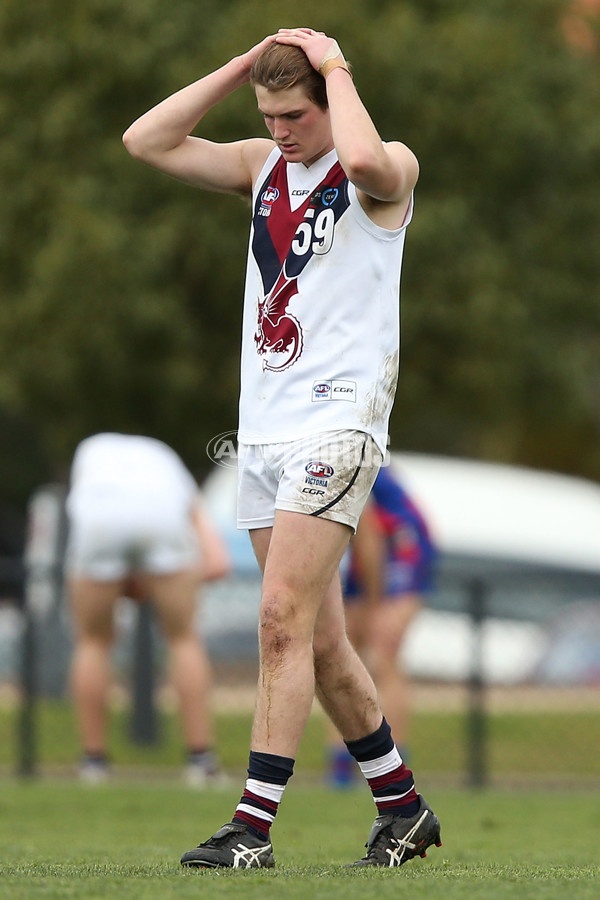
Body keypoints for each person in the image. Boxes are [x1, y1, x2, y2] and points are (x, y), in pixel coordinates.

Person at [123, 27, 441, 869]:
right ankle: (403, 808)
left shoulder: (385, 168)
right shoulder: (262, 166)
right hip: (262, 430)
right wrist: (239, 71)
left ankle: (251, 830)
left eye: (292, 114)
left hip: (339, 422)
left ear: (330, 97)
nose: (279, 131)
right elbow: (145, 141)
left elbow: (371, 163)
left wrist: (336, 69)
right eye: (267, 115)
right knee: (318, 641)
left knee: (276, 621)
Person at [65, 432, 230, 785]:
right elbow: (217, 563)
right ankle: (200, 762)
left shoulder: (90, 454)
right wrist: (163, 582)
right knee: (183, 638)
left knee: (92, 640)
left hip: (99, 521)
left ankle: (93, 764)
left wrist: (124, 581)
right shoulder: (166, 462)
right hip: (164, 522)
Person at [328, 465, 437, 786]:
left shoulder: (345, 460)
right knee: (335, 657)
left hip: (401, 550)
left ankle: (395, 767)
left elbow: (371, 535)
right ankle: (340, 768)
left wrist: (376, 605)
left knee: (383, 654)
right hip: (365, 561)